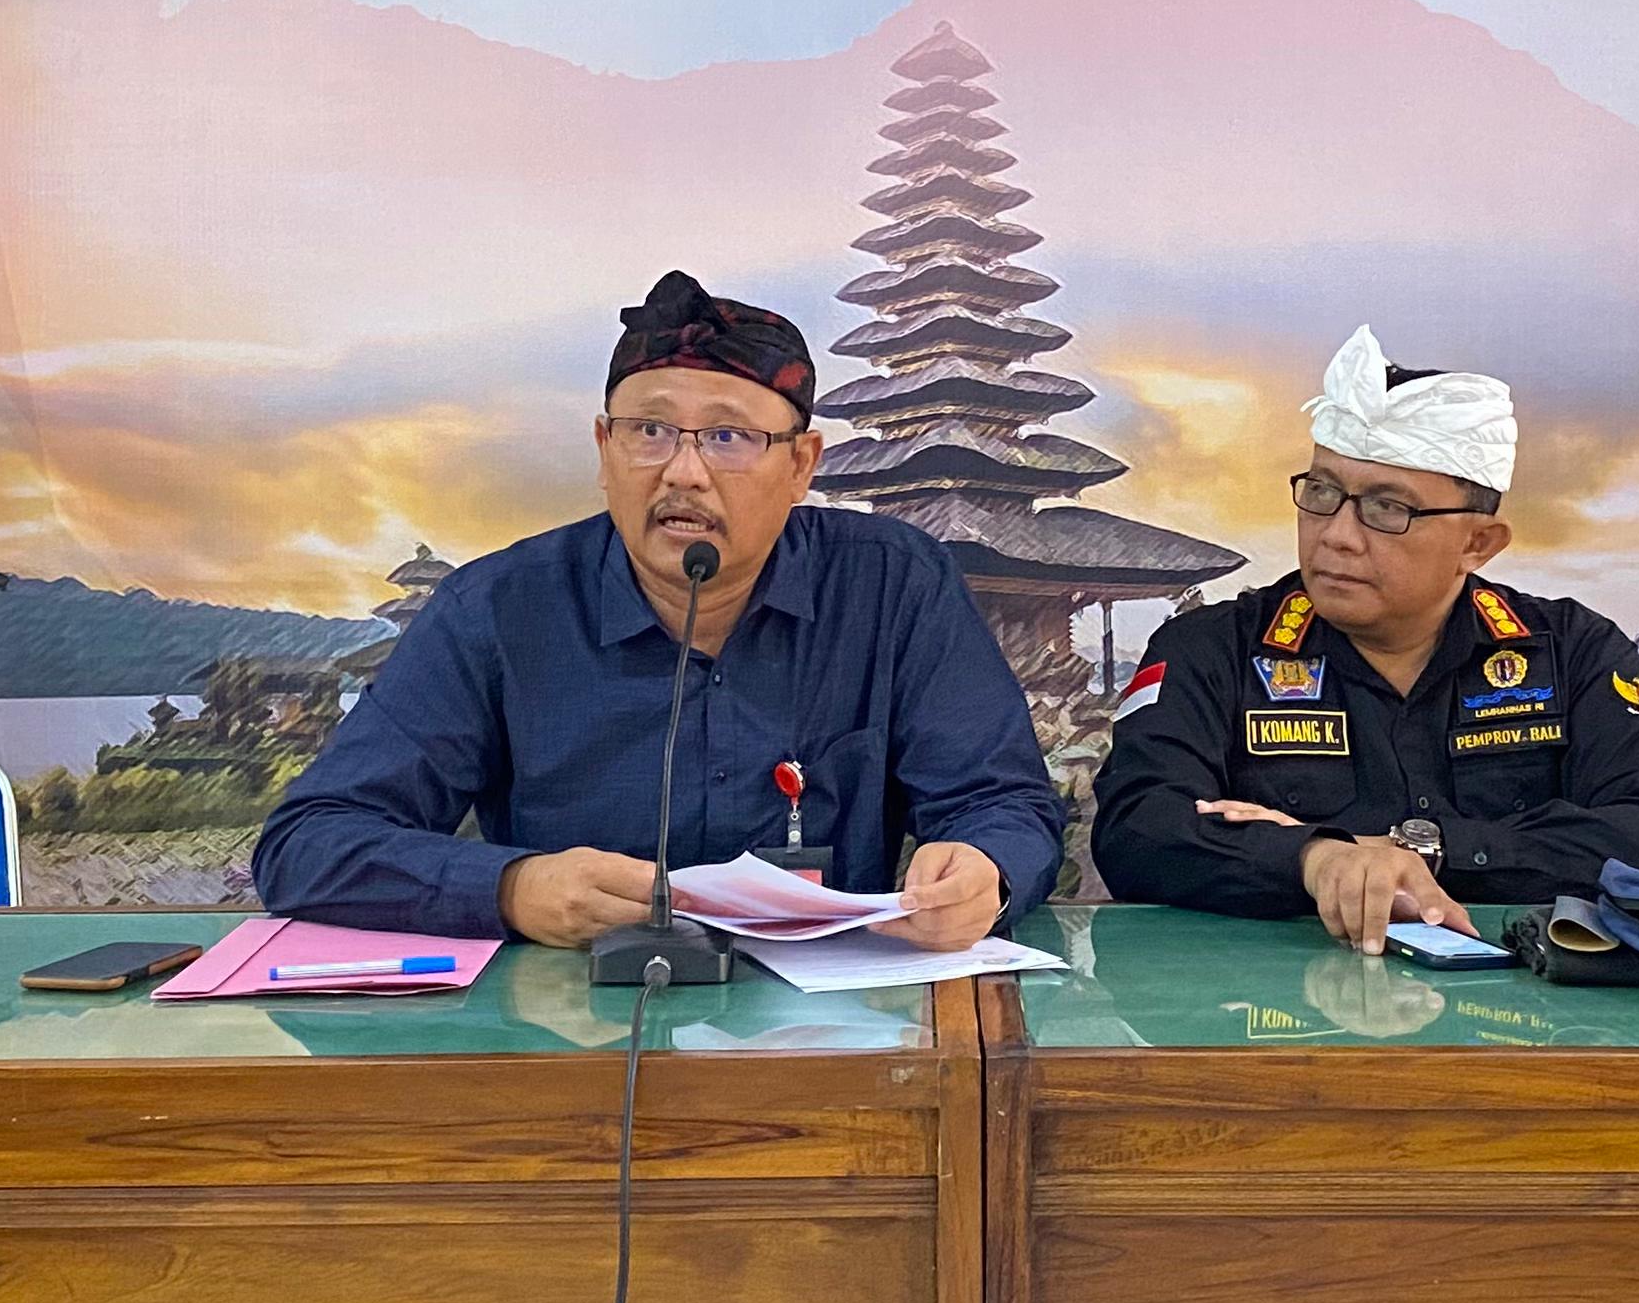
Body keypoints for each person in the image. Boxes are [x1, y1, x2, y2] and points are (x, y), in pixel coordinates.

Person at [252, 270, 1065, 949]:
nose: (683, 472)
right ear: (604, 451)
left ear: (801, 467)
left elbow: (1003, 804)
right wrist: (512, 888)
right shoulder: (498, 608)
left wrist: (983, 869)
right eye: (650, 430)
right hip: (574, 1030)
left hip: (828, 1030)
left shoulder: (891, 585)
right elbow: (309, 842)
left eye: (728, 438)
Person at [1093, 327, 1639, 953]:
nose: (1337, 535)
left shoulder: (1570, 650)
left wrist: (1420, 853)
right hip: (1280, 997)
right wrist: (1316, 860)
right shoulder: (1212, 649)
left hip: (1520, 994)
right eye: (1322, 492)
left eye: (1388, 509)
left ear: (1477, 544)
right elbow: (1136, 831)